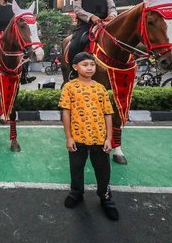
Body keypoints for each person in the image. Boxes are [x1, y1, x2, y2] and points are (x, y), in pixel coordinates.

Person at [58, 52, 119, 221]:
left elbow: (108, 114)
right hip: (78, 138)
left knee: (103, 169)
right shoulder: (69, 87)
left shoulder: (100, 88)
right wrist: (69, 137)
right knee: (76, 168)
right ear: (75, 67)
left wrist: (108, 138)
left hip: (100, 138)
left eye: (92, 64)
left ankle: (105, 197)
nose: (90, 67)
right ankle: (76, 193)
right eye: (85, 64)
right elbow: (66, 113)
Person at [68, 0, 117, 65]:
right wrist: (91, 17)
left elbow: (112, 7)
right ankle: (73, 69)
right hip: (85, 26)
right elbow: (78, 10)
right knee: (74, 45)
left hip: (104, 25)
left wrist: (112, 15)